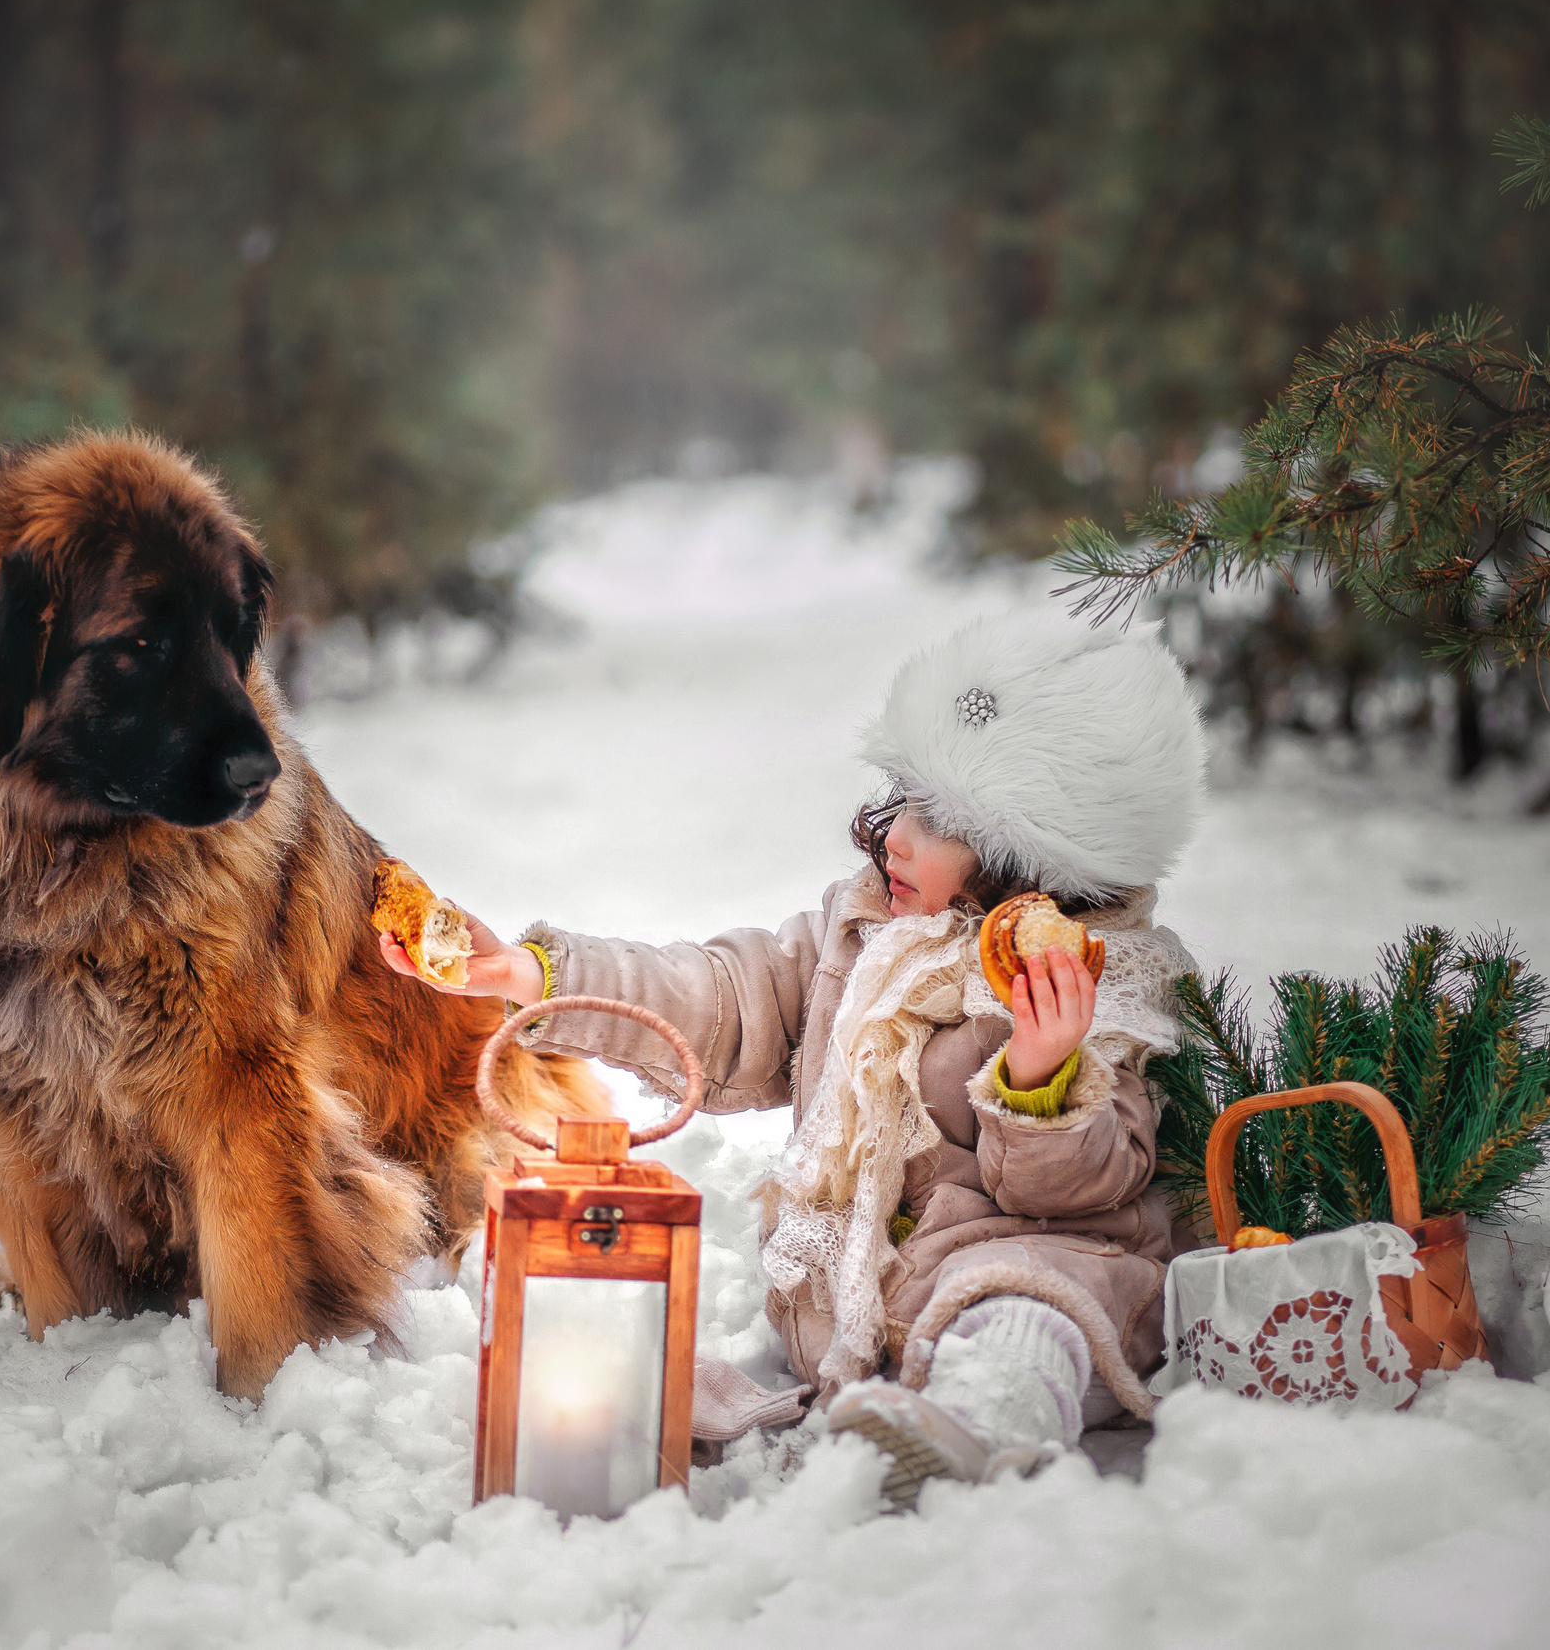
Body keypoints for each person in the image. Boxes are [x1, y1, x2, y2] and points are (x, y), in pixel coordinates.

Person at [384, 614, 1203, 1508]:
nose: (896, 836)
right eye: (905, 799)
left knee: (1024, 1306)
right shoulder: (860, 937)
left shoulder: (1092, 989)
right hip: (866, 1301)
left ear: (1033, 861)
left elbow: (1083, 1190)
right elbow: (722, 994)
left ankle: (985, 1420)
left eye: (941, 823)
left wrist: (1042, 1074)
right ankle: (899, 1412)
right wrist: (538, 974)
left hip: (1034, 1263)